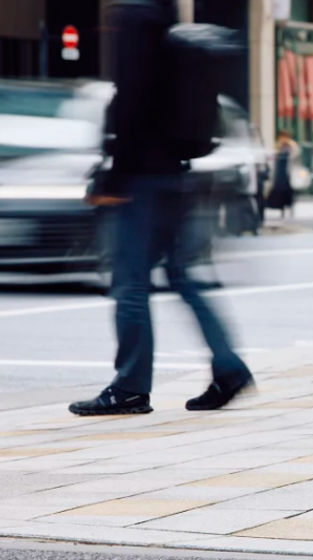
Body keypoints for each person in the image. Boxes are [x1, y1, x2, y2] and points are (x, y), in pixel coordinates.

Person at [69, 0, 254, 416]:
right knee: (182, 276)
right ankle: (229, 367)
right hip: (177, 173)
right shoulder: (165, 20)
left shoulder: (135, 17)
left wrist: (115, 173)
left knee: (130, 283)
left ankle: (131, 387)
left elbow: (132, 97)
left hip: (141, 178)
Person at [266, 130, 298, 218]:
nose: (281, 139)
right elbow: (274, 156)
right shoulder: (279, 145)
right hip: (279, 173)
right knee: (279, 191)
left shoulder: (291, 145)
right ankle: (281, 209)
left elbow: (294, 156)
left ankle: (289, 208)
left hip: (287, 173)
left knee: (287, 191)